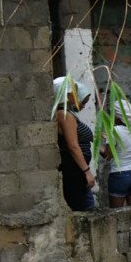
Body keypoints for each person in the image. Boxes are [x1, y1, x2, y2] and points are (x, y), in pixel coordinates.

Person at [53, 76, 95, 211]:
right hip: (75, 172)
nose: (76, 95)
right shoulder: (64, 115)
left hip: (77, 171)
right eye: (73, 92)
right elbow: (73, 146)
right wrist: (87, 171)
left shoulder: (67, 113)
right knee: (85, 211)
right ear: (66, 94)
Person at [101, 100, 131, 207]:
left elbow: (108, 156)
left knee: (116, 214)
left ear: (119, 117)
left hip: (119, 175)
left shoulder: (114, 131)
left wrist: (97, 145)